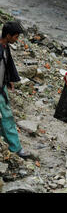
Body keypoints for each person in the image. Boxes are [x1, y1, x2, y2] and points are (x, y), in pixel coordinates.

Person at [0, 21, 30, 158]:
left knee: (5, 117)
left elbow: (7, 64)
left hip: (2, 86)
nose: (16, 40)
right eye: (16, 37)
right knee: (7, 117)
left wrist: (9, 80)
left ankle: (6, 143)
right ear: (8, 35)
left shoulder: (5, 47)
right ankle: (15, 147)